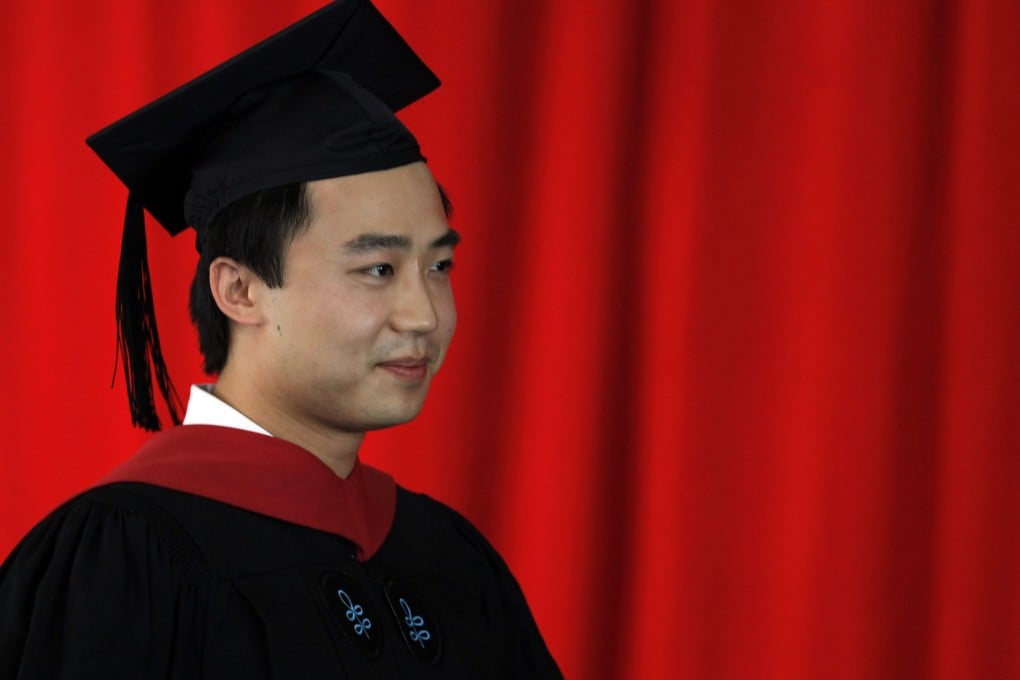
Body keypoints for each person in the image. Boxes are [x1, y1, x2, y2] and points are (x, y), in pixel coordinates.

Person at [0, 1, 561, 677]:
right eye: (377, 269)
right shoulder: (120, 560)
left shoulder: (448, 555)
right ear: (239, 291)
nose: (424, 315)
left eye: (438, 267)